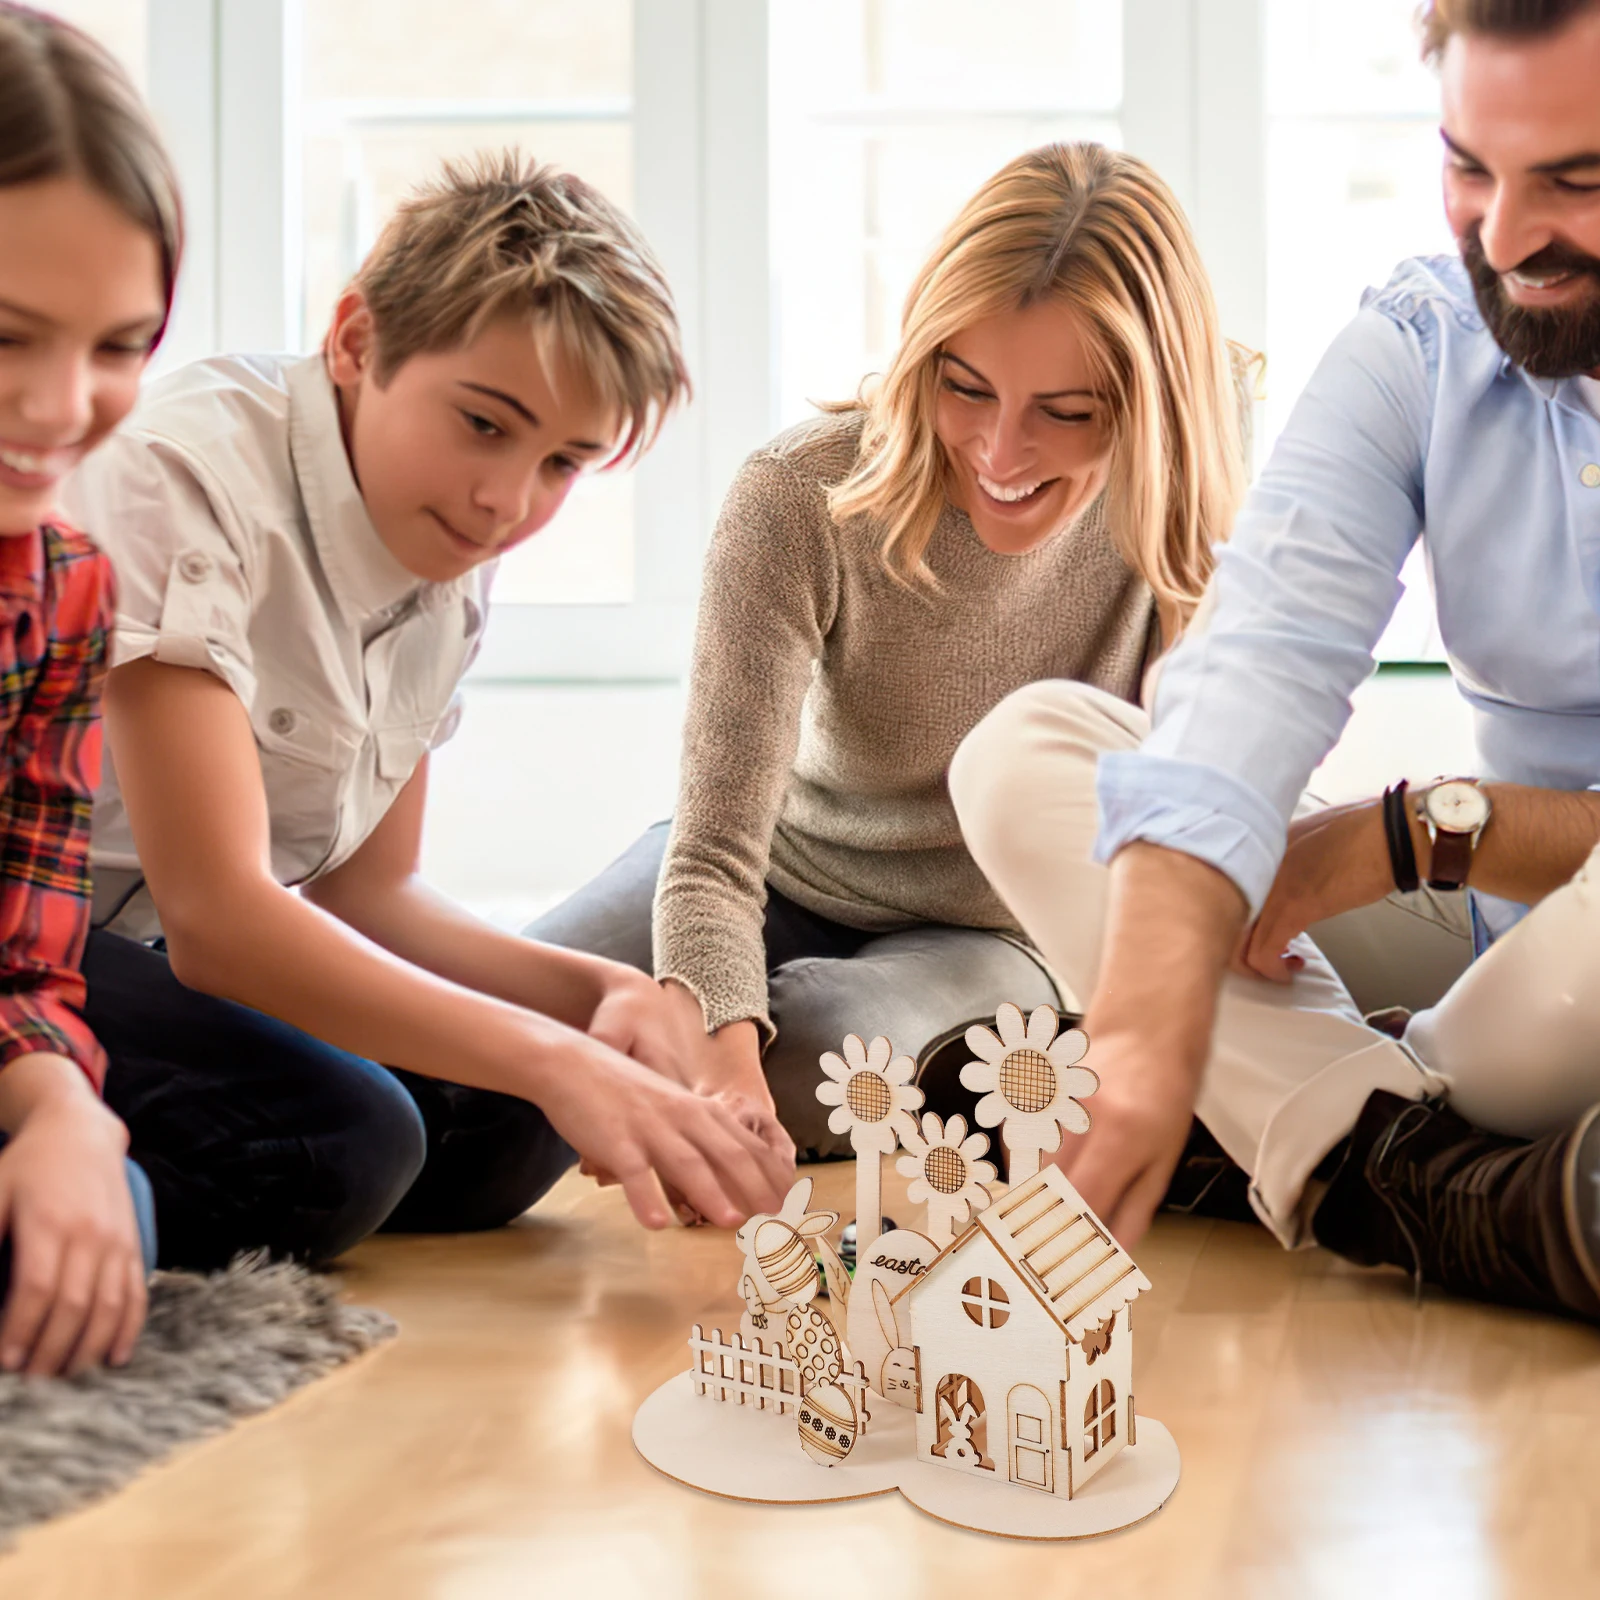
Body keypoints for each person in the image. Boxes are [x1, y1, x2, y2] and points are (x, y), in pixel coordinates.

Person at [952, 0, 1600, 1322]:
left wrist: (1406, 835)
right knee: (1029, 757)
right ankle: (1416, 1174)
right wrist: (1140, 1036)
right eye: (1470, 167)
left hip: (1535, 938)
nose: (1505, 236)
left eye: (1577, 182)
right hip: (1496, 954)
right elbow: (1255, 659)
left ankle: (1286, 1121)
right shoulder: (1423, 347)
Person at [64, 150, 792, 1270]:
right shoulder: (182, 476)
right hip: (42, 935)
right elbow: (220, 918)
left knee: (511, 1121)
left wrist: (603, 996)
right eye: (485, 425)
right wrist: (562, 1059)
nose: (509, 502)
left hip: (157, 954)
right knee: (347, 1140)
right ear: (357, 341)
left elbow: (371, 888)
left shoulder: (447, 543)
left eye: (564, 463)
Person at [529, 142, 1255, 1158]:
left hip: (997, 929)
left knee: (821, 1061)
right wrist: (718, 1066)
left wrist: (735, 1075)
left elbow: (1188, 805)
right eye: (965, 388)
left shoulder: (1189, 486)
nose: (1001, 454)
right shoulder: (796, 497)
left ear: (1149, 410)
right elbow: (709, 854)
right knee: (501, 1024)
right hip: (778, 871)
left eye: (1068, 412)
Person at [0, 3, 173, 1375]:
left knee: (109, 1196)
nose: (64, 407)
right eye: (9, 336)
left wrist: (62, 1108)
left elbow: (26, 954)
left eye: (119, 344)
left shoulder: (67, 588)